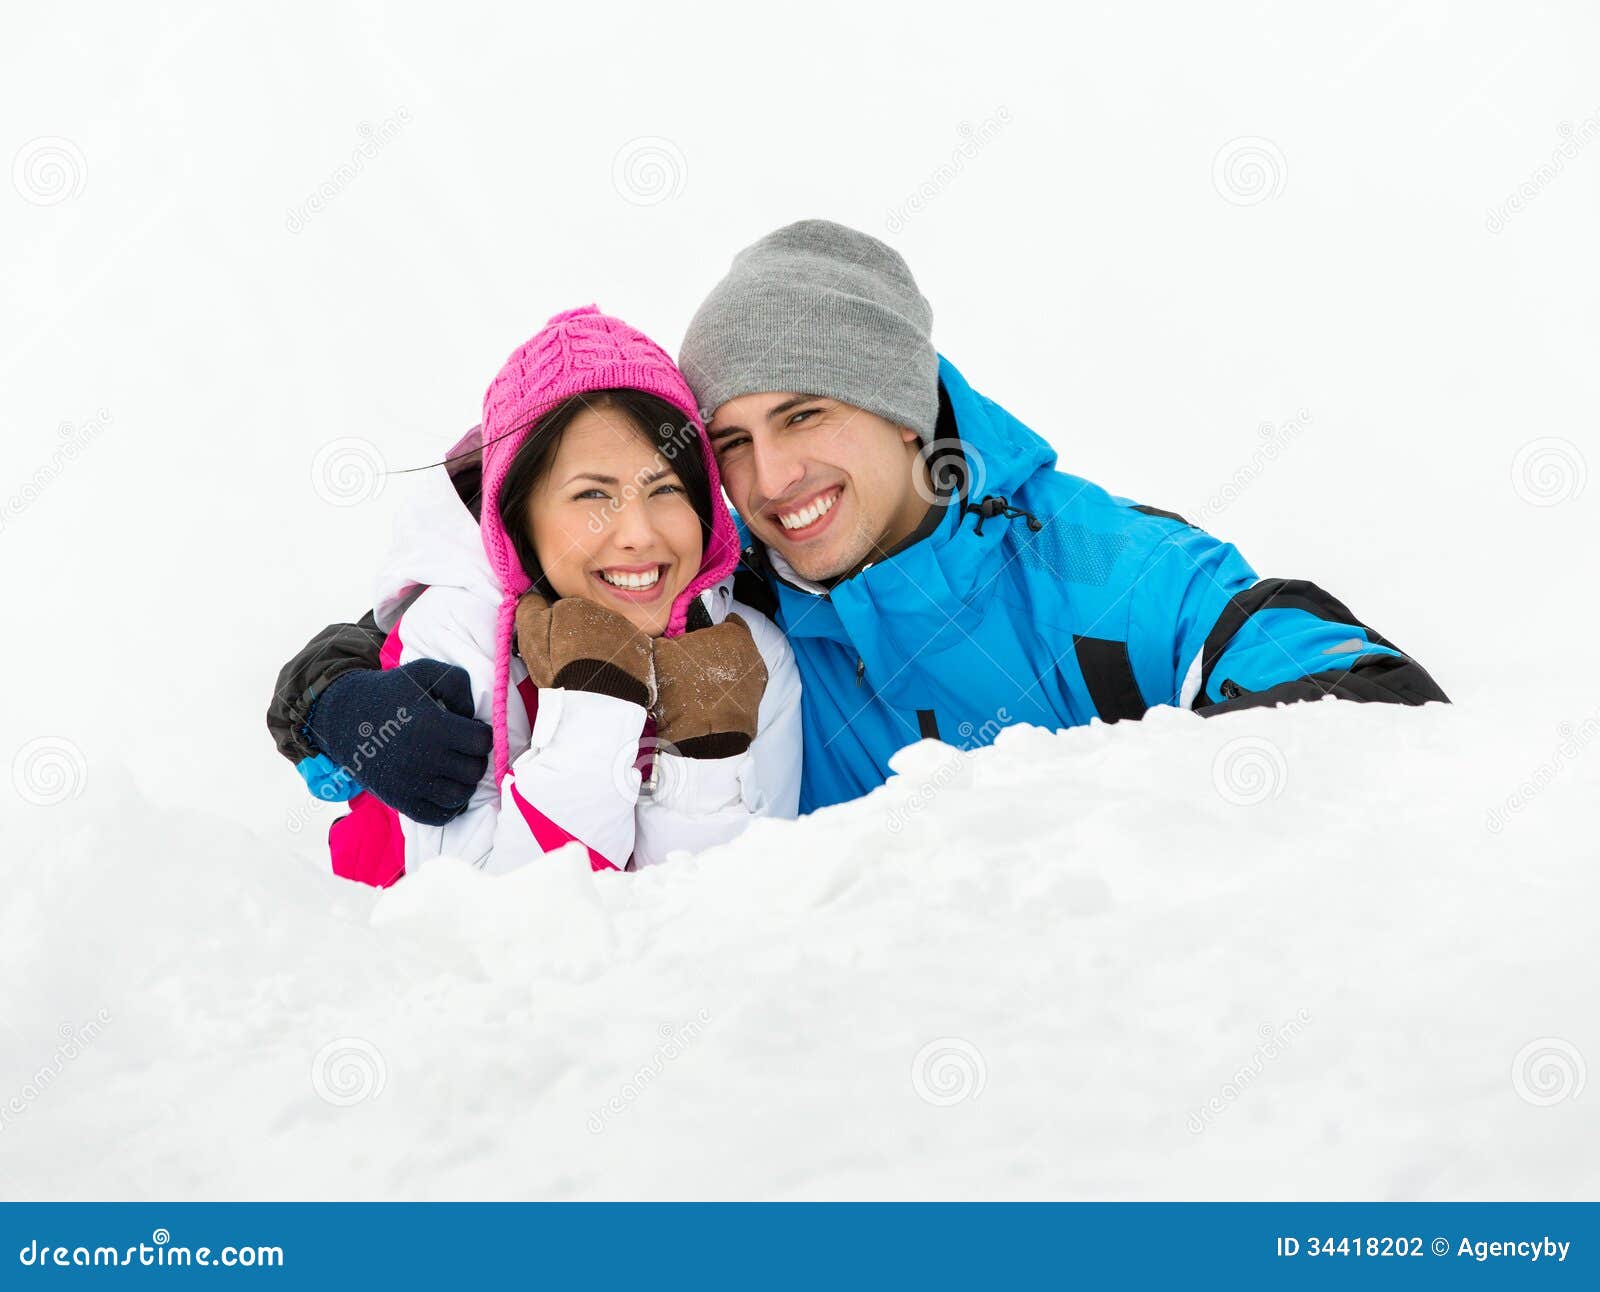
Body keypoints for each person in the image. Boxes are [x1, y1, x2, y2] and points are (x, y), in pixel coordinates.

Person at [268, 221, 1444, 825]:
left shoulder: (1086, 570)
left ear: (896, 409)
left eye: (804, 413)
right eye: (727, 441)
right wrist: (334, 692)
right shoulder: (734, 589)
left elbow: (1360, 693)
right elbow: (499, 562)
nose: (771, 477)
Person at [282, 306, 801, 884]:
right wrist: (594, 700)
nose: (638, 535)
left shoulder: (752, 652)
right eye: (590, 496)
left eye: (667, 489)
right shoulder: (457, 632)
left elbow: (741, 921)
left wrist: (704, 761)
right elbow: (499, 929)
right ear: (517, 518)